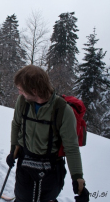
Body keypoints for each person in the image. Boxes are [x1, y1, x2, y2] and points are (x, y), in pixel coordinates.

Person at [6, 65, 89, 202]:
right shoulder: (23, 102)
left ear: (34, 90)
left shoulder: (62, 110)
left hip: (51, 168)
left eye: (21, 89)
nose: (20, 93)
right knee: (22, 197)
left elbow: (71, 147)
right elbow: (16, 124)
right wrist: (13, 149)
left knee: (47, 198)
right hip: (25, 162)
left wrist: (77, 178)